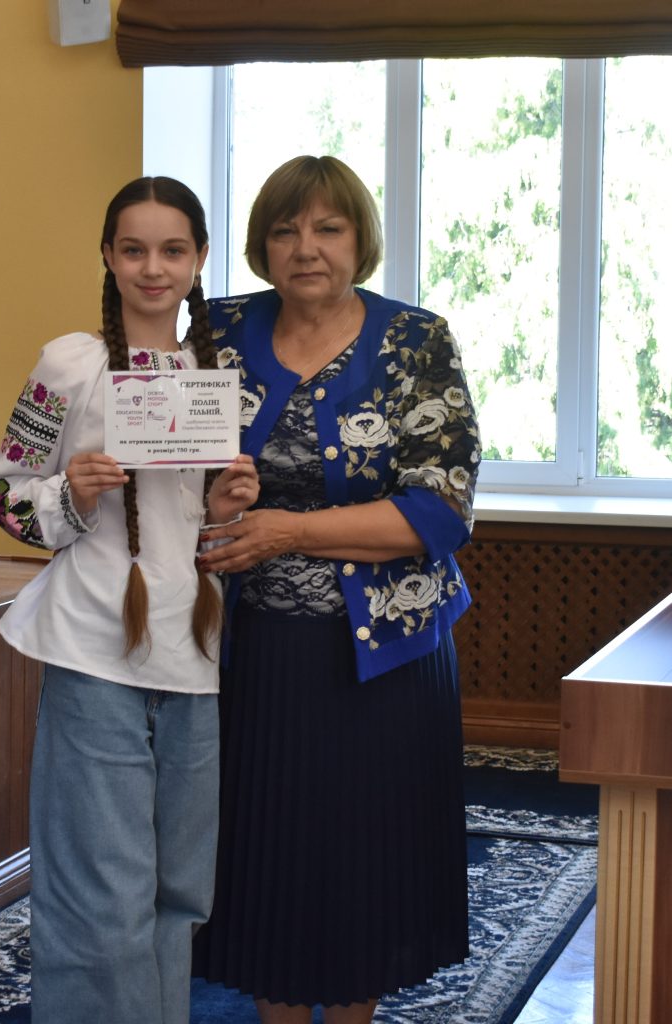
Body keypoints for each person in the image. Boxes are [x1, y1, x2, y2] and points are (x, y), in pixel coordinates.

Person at [191, 155, 482, 1023]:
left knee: (365, 865)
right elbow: (165, 467)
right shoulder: (213, 331)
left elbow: (439, 510)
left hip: (386, 655)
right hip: (252, 653)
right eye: (284, 231)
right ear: (260, 246)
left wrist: (286, 531)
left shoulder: (415, 341)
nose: (304, 248)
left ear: (359, 239)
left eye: (327, 228)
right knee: (266, 858)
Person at [0, 176, 259, 1024]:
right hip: (92, 645)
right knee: (101, 892)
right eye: (133, 249)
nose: (152, 268)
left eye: (172, 250)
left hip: (195, 653)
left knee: (180, 889)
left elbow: (201, 530)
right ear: (107, 255)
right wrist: (70, 493)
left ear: (199, 259)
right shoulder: (71, 363)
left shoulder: (220, 376)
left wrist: (224, 506)